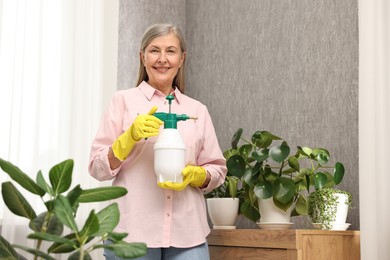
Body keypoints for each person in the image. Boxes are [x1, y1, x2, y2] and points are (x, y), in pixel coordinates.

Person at [88, 23, 227, 260]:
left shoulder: (197, 110)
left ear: (182, 59)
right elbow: (96, 169)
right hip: (131, 233)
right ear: (142, 57)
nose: (162, 59)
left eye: (170, 51)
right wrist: (128, 138)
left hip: (187, 233)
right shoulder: (123, 101)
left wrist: (196, 175)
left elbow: (217, 169)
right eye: (154, 50)